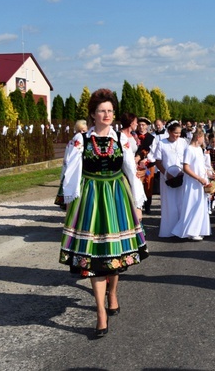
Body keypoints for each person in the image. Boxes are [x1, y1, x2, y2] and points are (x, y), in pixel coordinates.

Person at [58, 88, 148, 337]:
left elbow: (131, 171)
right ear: (93, 114)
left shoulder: (122, 140)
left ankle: (112, 292)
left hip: (117, 197)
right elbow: (71, 174)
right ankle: (100, 312)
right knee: (94, 259)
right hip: (91, 199)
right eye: (102, 111)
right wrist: (70, 205)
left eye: (110, 110)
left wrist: (138, 204)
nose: (106, 114)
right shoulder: (80, 140)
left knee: (115, 255)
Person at [172, 128, 211, 241]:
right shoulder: (189, 149)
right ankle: (191, 231)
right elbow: (186, 167)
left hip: (201, 181)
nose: (204, 140)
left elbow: (201, 165)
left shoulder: (199, 149)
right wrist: (198, 178)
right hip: (192, 182)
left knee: (200, 205)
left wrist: (208, 173)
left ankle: (199, 229)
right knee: (192, 204)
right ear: (199, 137)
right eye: (203, 138)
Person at [153, 119, 188, 237]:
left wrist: (183, 171)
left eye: (179, 133)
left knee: (181, 202)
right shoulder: (162, 143)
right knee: (169, 203)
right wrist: (166, 174)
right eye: (175, 133)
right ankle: (169, 230)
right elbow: (158, 161)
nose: (177, 135)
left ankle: (181, 229)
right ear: (169, 131)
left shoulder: (183, 142)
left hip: (181, 175)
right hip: (167, 177)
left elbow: (187, 158)